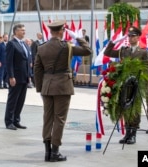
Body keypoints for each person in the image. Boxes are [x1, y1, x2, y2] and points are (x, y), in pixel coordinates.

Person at [34, 20, 92, 162]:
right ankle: (55, 152)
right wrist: (78, 37)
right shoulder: (67, 46)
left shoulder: (41, 48)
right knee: (59, 119)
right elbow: (88, 51)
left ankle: (47, 152)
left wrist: (40, 88)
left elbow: (37, 69)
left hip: (47, 87)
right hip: (62, 86)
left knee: (47, 118)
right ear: (61, 31)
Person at [104, 26, 148, 144]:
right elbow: (107, 52)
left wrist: (144, 85)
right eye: (129, 36)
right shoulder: (124, 50)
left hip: (136, 85)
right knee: (125, 108)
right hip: (125, 85)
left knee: (135, 109)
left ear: (138, 37)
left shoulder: (143, 52)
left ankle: (133, 134)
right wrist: (114, 42)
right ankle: (127, 134)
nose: (130, 38)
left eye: (133, 36)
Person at [4, 23, 30, 130]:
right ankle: (9, 121)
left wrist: (29, 75)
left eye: (24, 30)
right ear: (16, 31)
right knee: (13, 100)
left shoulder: (24, 44)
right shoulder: (11, 44)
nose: (24, 32)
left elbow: (27, 61)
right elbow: (9, 61)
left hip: (24, 76)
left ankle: (16, 120)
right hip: (15, 76)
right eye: (22, 30)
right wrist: (11, 76)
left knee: (21, 100)